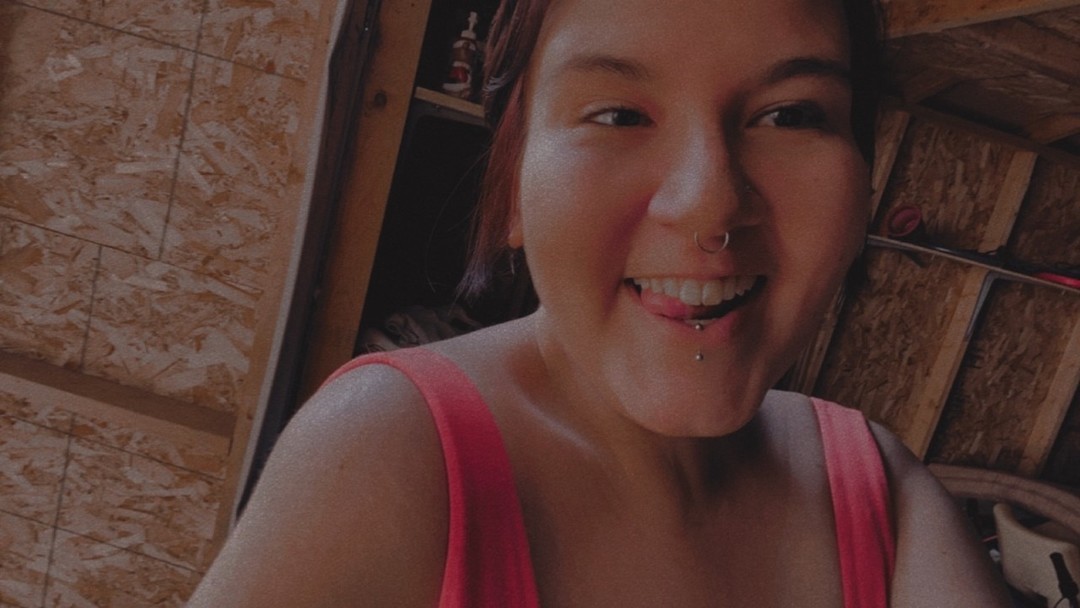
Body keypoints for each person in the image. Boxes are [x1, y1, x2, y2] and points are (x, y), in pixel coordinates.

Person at [188, 0, 1013, 605]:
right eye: (618, 114)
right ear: (512, 181)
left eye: (790, 115)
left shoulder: (882, 494)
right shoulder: (388, 456)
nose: (709, 203)